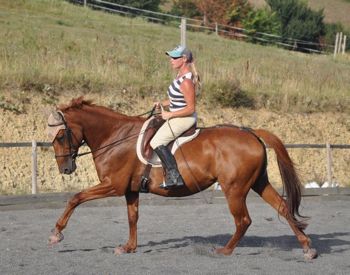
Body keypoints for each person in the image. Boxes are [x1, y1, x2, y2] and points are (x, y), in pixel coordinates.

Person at [150, 45, 201, 189]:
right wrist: (162, 103)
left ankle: (174, 176)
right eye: (171, 57)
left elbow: (191, 108)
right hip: (177, 116)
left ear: (184, 59)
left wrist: (169, 114)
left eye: (174, 57)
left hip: (184, 118)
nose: (171, 60)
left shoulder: (186, 81)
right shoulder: (179, 77)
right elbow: (176, 100)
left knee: (156, 141)